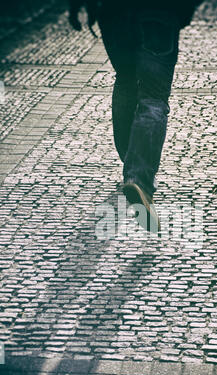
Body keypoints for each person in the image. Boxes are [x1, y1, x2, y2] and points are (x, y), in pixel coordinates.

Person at [68, 0, 203, 233]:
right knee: (154, 96)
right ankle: (138, 177)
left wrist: (78, 5)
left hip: (113, 12)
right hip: (159, 12)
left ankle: (130, 161)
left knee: (125, 78)